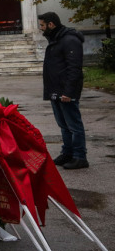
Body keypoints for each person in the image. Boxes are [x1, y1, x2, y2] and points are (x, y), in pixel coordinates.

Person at [39, 12, 88, 170]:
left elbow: (74, 68)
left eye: (42, 25)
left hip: (66, 91)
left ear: (51, 24)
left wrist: (68, 92)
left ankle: (80, 157)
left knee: (74, 125)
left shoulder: (69, 40)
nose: (41, 28)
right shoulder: (56, 39)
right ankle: (67, 152)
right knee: (64, 125)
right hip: (56, 90)